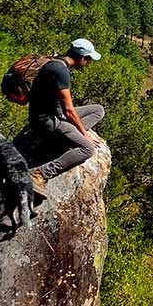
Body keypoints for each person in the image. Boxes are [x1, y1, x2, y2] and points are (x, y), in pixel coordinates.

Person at [27, 38, 105, 197]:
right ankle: (39, 174)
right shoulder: (61, 72)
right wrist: (84, 133)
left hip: (50, 114)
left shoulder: (55, 62)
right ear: (82, 58)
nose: (88, 63)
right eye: (88, 60)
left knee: (98, 110)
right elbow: (69, 110)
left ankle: (68, 137)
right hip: (48, 122)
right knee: (88, 148)